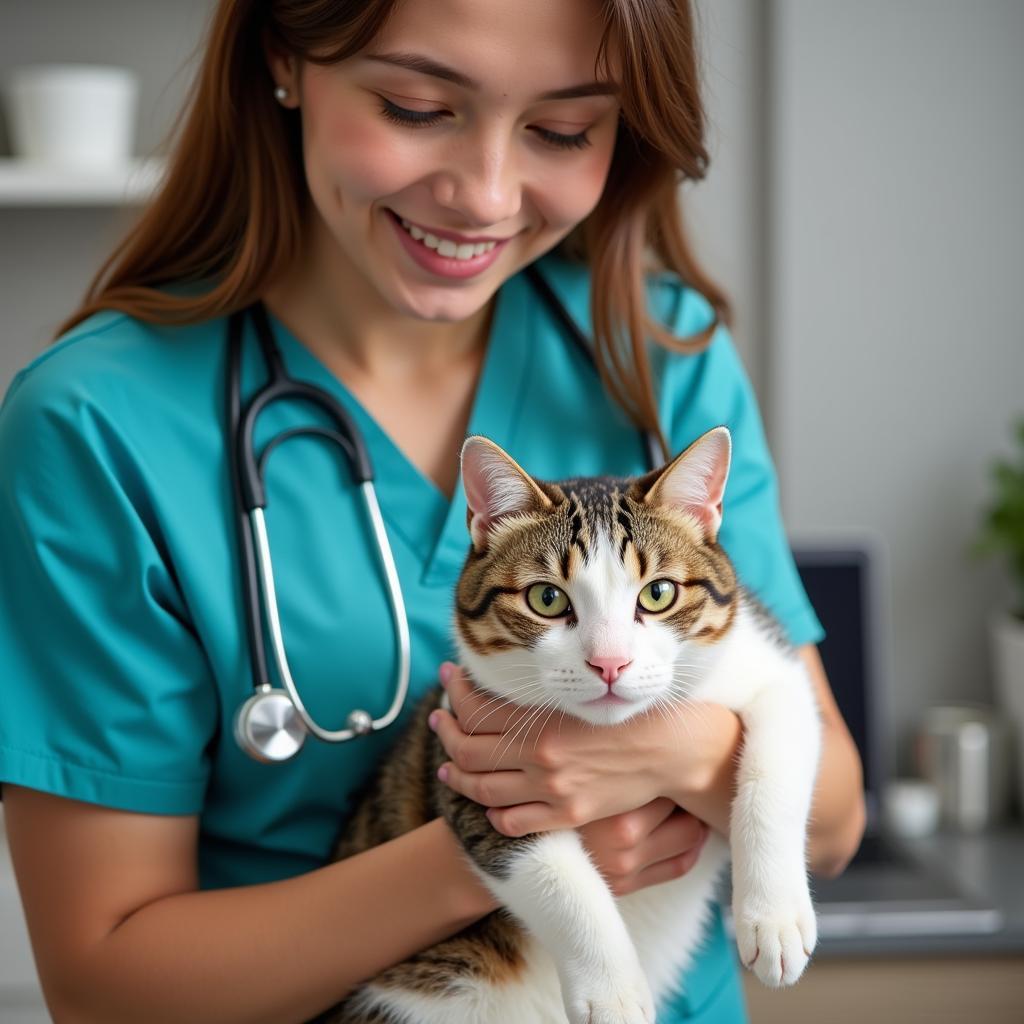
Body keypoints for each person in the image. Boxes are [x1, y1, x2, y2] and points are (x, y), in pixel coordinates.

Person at [0, 0, 866, 1021]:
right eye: (416, 106)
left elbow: (832, 819)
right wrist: (493, 841)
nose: (485, 194)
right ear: (285, 57)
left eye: (561, 129)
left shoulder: (657, 350)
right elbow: (108, 992)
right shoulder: (97, 425)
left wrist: (670, 755)